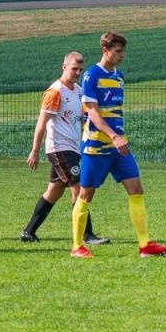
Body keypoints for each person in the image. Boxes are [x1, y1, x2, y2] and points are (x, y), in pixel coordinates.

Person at [75, 32, 166, 258]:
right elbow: (93, 113)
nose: (122, 55)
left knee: (136, 189)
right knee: (86, 194)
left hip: (119, 147)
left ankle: (145, 245)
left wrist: (119, 137)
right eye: (118, 51)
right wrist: (113, 136)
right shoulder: (91, 76)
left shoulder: (119, 77)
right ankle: (77, 246)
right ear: (105, 50)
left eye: (124, 51)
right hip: (96, 147)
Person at [23, 51, 106, 244]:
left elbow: (85, 118)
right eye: (74, 68)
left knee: (54, 191)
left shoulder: (78, 91)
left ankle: (28, 232)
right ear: (64, 67)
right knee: (79, 187)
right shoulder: (55, 91)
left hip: (73, 148)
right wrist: (35, 150)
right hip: (59, 148)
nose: (77, 73)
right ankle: (87, 234)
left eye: (80, 69)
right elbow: (41, 123)